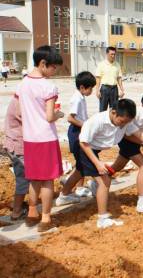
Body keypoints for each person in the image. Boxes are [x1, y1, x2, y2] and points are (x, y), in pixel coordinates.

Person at [78, 99, 143, 228]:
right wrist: (98, 163)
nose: (123, 126)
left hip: (95, 148)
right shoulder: (97, 121)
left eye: (126, 123)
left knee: (79, 171)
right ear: (114, 112)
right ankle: (102, 218)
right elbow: (83, 142)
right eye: (122, 122)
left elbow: (139, 134)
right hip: (86, 149)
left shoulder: (124, 122)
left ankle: (64, 194)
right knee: (105, 181)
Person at [16, 46, 64, 232]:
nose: (54, 72)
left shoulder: (23, 83)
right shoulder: (48, 86)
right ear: (43, 64)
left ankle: (31, 213)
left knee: (34, 178)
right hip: (46, 137)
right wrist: (59, 114)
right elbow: (50, 116)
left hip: (30, 137)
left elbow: (20, 112)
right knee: (47, 180)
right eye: (53, 68)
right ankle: (45, 218)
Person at [56, 71, 97, 206]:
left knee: (81, 163)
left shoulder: (80, 97)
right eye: (90, 88)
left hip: (80, 131)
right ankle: (66, 191)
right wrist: (85, 124)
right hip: (76, 132)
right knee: (82, 163)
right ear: (82, 87)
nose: (91, 91)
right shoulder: (77, 98)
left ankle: (78, 187)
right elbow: (70, 118)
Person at [3, 97, 28, 220]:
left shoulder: (17, 99)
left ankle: (17, 204)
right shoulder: (21, 103)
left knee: (23, 177)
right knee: (24, 178)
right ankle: (17, 211)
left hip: (14, 143)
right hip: (18, 145)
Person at [95, 46, 124, 112]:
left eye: (114, 54)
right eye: (111, 54)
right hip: (104, 89)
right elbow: (98, 78)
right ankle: (102, 122)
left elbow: (119, 78)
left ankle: (112, 122)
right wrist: (97, 90)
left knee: (114, 109)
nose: (113, 56)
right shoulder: (101, 64)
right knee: (103, 109)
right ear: (107, 54)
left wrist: (122, 90)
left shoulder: (117, 65)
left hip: (114, 89)